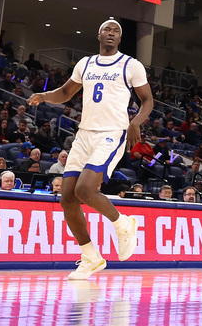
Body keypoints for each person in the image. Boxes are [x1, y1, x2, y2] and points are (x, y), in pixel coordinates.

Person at [28, 19, 154, 280]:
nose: (111, 33)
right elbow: (65, 92)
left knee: (85, 189)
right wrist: (45, 95)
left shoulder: (131, 65)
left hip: (111, 133)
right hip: (84, 134)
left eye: (116, 31)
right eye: (107, 29)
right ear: (98, 35)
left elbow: (147, 100)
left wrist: (135, 123)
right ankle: (91, 257)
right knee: (68, 199)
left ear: (120, 39)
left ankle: (123, 224)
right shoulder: (85, 64)